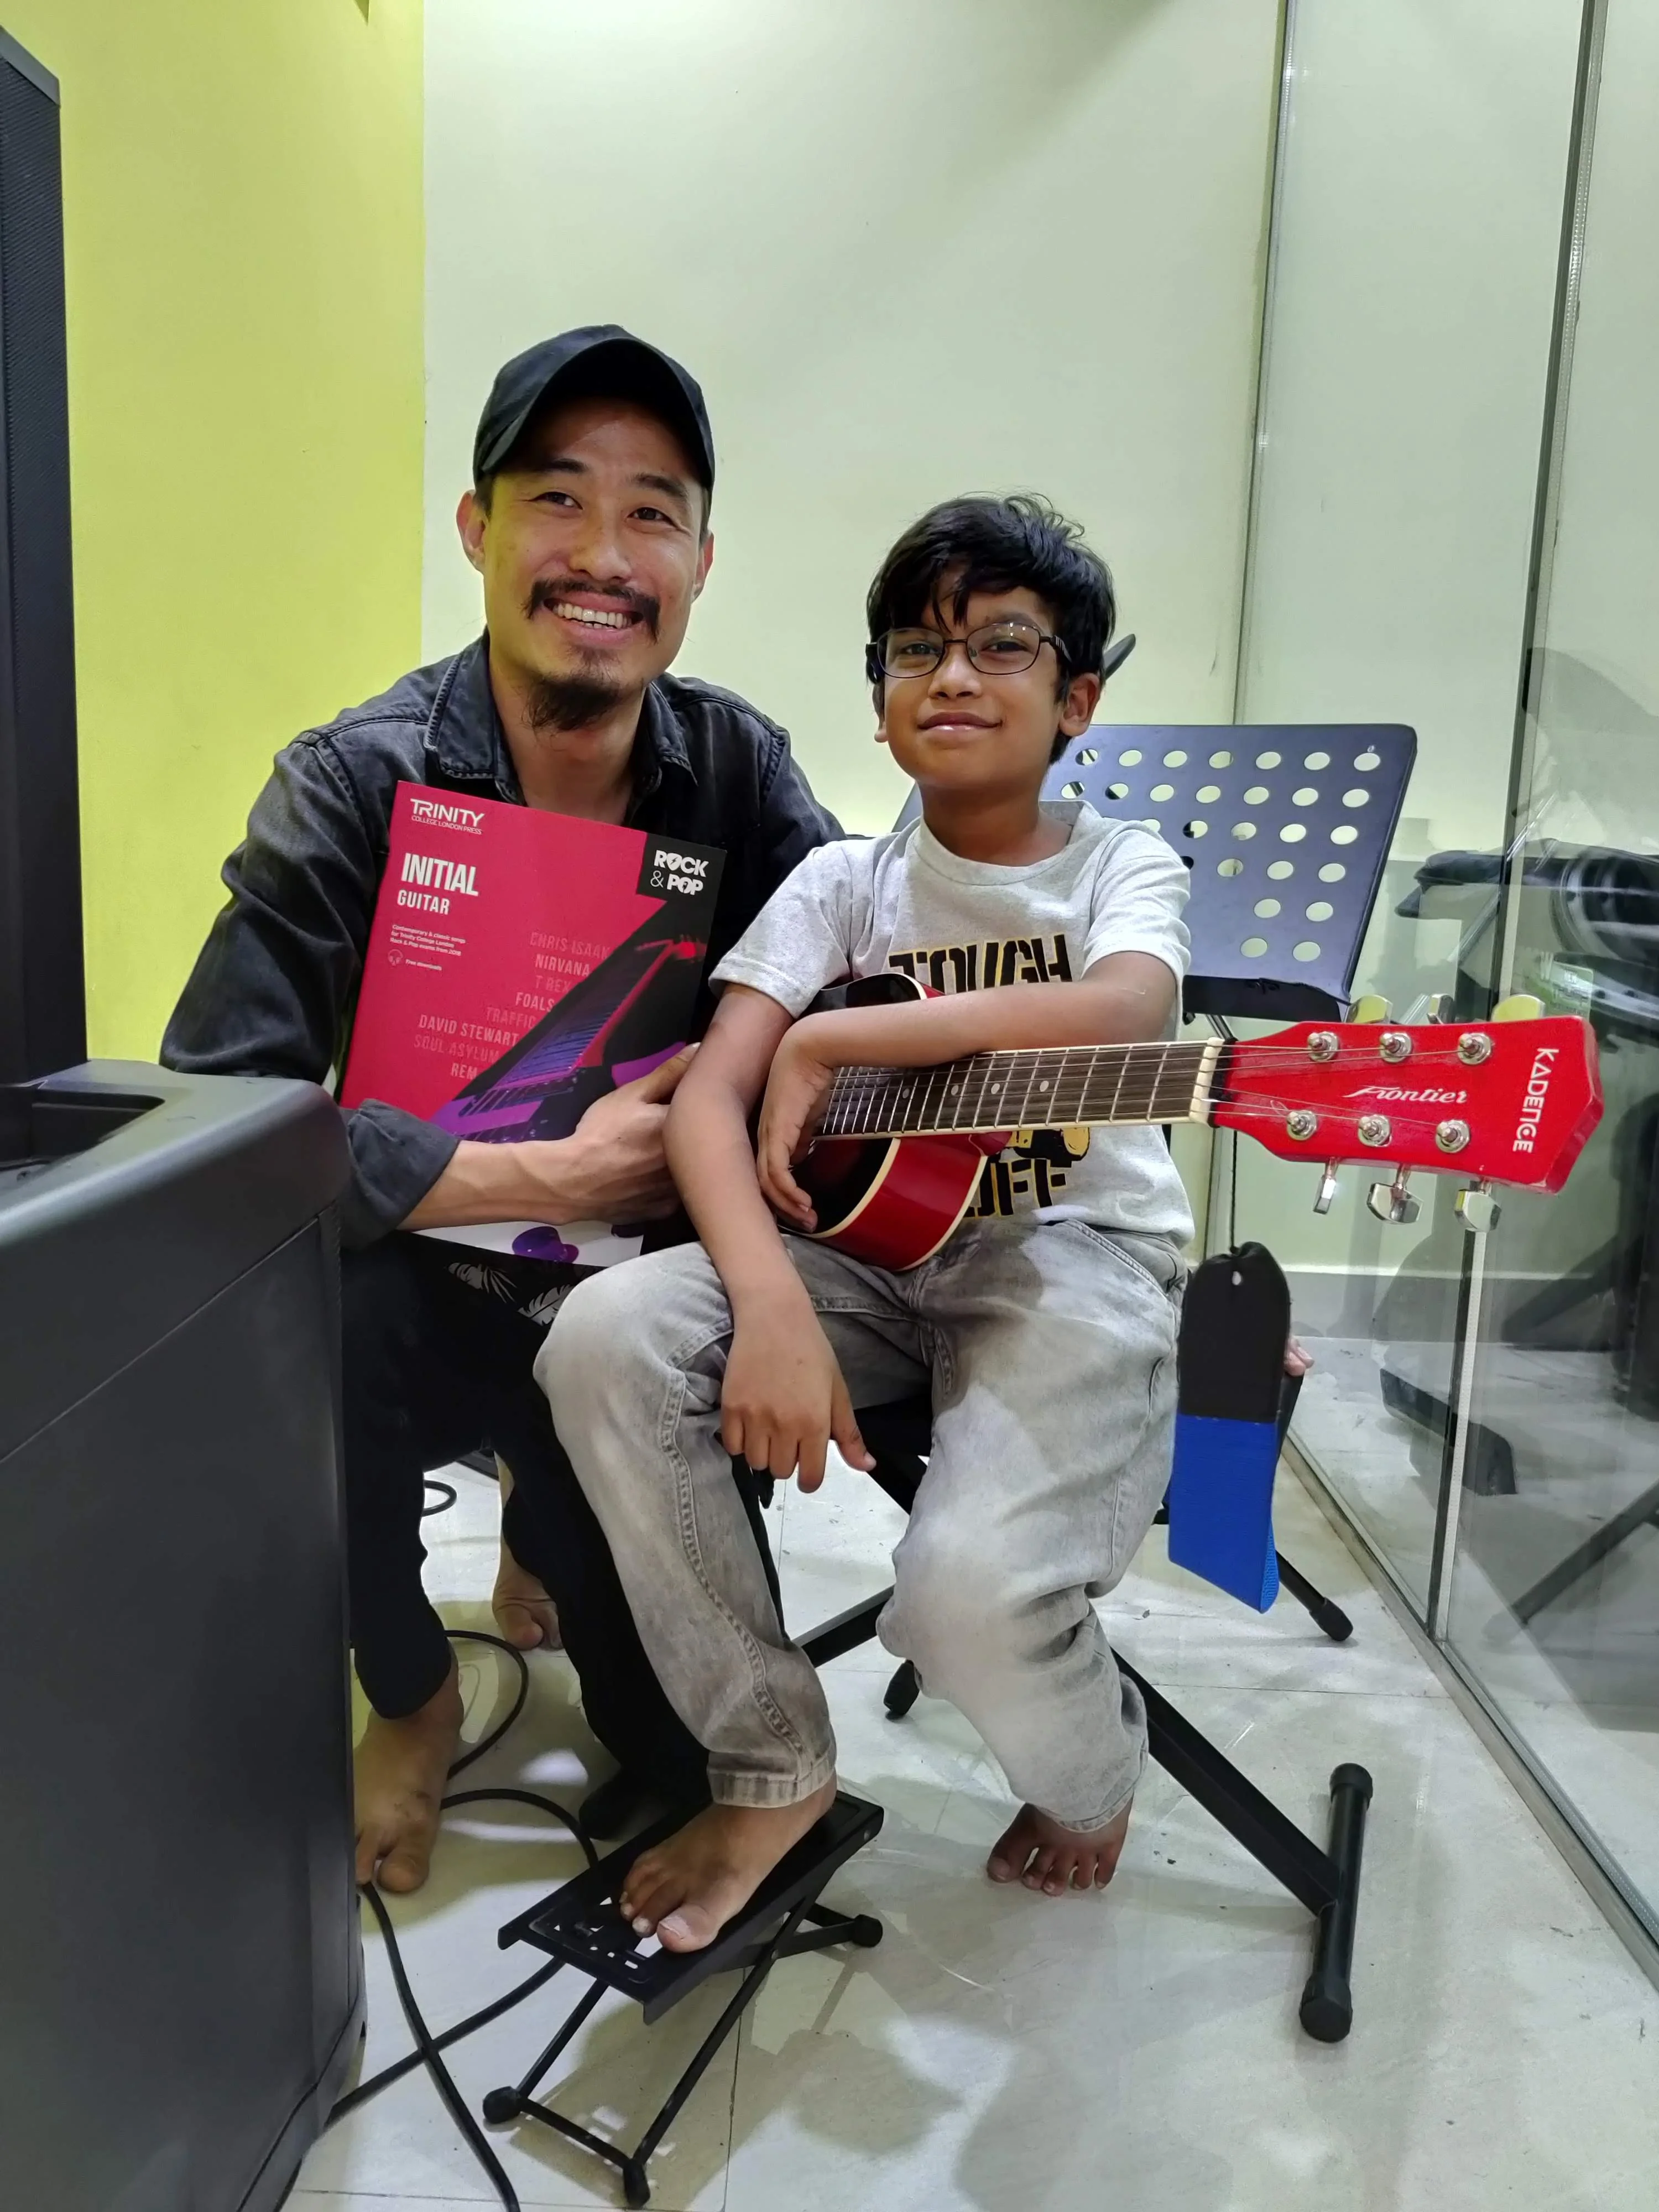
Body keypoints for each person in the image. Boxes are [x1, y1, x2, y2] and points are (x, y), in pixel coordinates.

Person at [162, 326, 838, 1892]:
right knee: (294, 1324)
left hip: (630, 1319)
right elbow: (215, 1118)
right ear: (476, 529)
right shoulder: (352, 784)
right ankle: (407, 1691)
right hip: (412, 1285)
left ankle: (555, 1512)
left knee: (675, 1765)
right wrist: (545, 1167)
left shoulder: (742, 775)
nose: (603, 558)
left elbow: (861, 1010)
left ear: (702, 560)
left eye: (652, 514)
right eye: (557, 501)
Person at [540, 491, 1203, 1952]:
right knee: (601, 1334)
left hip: (1072, 1261)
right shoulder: (845, 882)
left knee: (964, 1596)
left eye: (1002, 647)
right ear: (885, 696)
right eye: (917, 648)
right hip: (857, 1257)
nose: (952, 677)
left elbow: (1128, 1010)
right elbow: (715, 1104)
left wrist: (841, 1047)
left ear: (1077, 697)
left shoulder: (1117, 867)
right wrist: (768, 1303)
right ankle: (770, 1760)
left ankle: (1096, 1780)